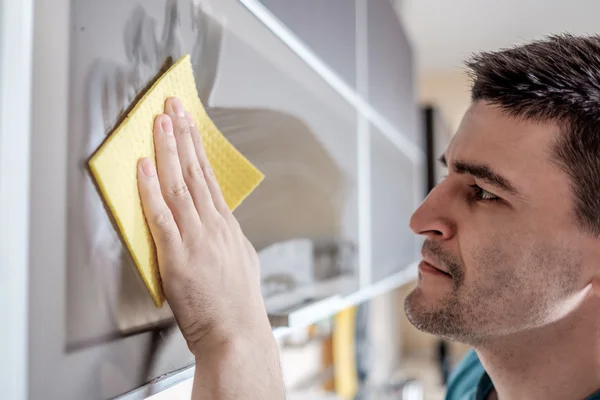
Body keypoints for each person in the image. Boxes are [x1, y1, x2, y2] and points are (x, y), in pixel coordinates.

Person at [137, 32, 600, 400]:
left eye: (483, 192)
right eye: (449, 175)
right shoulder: (476, 376)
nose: (421, 218)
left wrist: (234, 340)